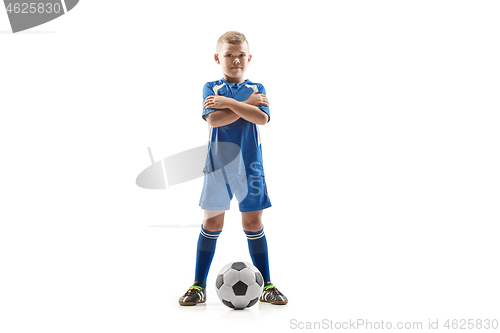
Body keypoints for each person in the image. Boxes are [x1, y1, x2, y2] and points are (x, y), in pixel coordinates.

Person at [178, 31, 288, 306]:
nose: (235, 60)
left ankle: (268, 285)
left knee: (253, 223)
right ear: (218, 57)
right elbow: (214, 120)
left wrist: (231, 104)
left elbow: (260, 118)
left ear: (249, 58)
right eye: (229, 55)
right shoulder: (210, 87)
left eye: (241, 55)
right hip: (218, 167)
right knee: (212, 223)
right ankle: (197, 286)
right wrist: (243, 105)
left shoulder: (257, 88)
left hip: (250, 167)